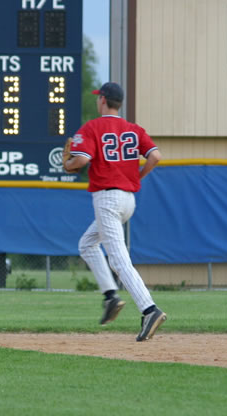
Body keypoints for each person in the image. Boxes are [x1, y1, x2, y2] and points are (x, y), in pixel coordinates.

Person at [63, 82, 167, 342]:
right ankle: (111, 296)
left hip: (107, 199)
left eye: (98, 98)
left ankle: (149, 309)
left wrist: (68, 164)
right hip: (128, 200)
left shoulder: (92, 127)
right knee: (87, 244)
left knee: (119, 260)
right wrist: (138, 176)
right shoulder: (134, 129)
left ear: (103, 100)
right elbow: (155, 156)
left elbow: (81, 160)